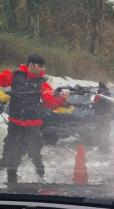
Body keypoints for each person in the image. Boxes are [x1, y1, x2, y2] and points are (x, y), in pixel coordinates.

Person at [0, 54, 70, 185]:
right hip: (15, 124)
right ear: (31, 65)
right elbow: (2, 81)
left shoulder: (42, 83)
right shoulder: (14, 75)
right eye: (40, 66)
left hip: (33, 125)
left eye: (43, 67)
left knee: (35, 153)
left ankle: (40, 176)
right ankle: (11, 181)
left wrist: (62, 98)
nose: (42, 69)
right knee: (12, 153)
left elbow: (50, 101)